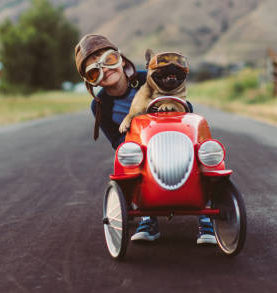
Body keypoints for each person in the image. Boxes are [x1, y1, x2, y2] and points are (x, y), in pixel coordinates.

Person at [74, 34, 216, 244]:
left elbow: (185, 106)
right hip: (141, 149)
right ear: (89, 81)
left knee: (201, 158)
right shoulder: (100, 105)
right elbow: (116, 141)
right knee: (128, 162)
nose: (106, 70)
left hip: (175, 136)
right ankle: (146, 214)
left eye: (110, 60)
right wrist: (136, 150)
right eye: (95, 72)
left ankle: (206, 216)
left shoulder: (148, 77)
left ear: (121, 59)